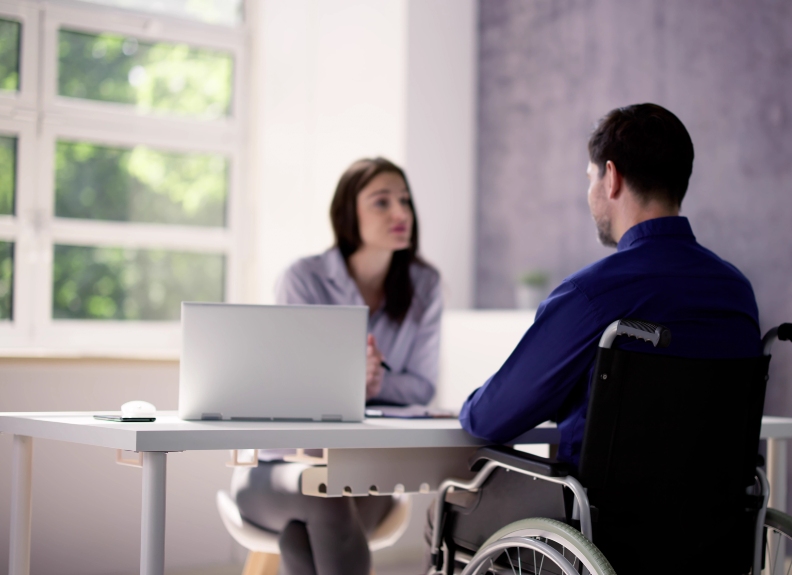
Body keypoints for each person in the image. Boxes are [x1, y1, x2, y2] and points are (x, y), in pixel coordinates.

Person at [460, 102, 761, 466]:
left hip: (603, 518)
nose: (590, 193)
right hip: (715, 517)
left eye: (590, 179)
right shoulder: (737, 292)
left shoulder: (592, 295)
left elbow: (490, 419)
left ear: (612, 178)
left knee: (455, 498)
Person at [233, 157, 442, 575]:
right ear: (348, 214)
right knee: (324, 500)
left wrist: (374, 382)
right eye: (382, 202)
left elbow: (422, 388)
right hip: (278, 469)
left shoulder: (425, 285)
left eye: (405, 201)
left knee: (305, 533)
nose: (401, 213)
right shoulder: (302, 278)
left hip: (368, 473)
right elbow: (282, 385)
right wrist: (345, 383)